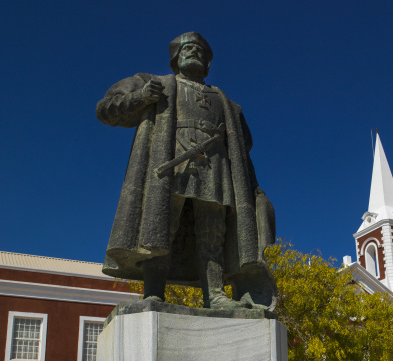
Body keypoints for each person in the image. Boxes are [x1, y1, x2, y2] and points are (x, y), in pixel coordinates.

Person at [97, 32, 276, 311]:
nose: (194, 53)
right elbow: (106, 108)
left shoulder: (225, 102)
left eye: (201, 51)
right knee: (160, 227)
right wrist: (142, 97)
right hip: (170, 166)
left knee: (213, 232)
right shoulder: (158, 84)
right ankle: (154, 292)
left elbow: (241, 150)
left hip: (216, 171)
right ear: (175, 58)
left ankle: (215, 295)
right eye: (188, 49)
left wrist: (253, 186)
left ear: (207, 64)